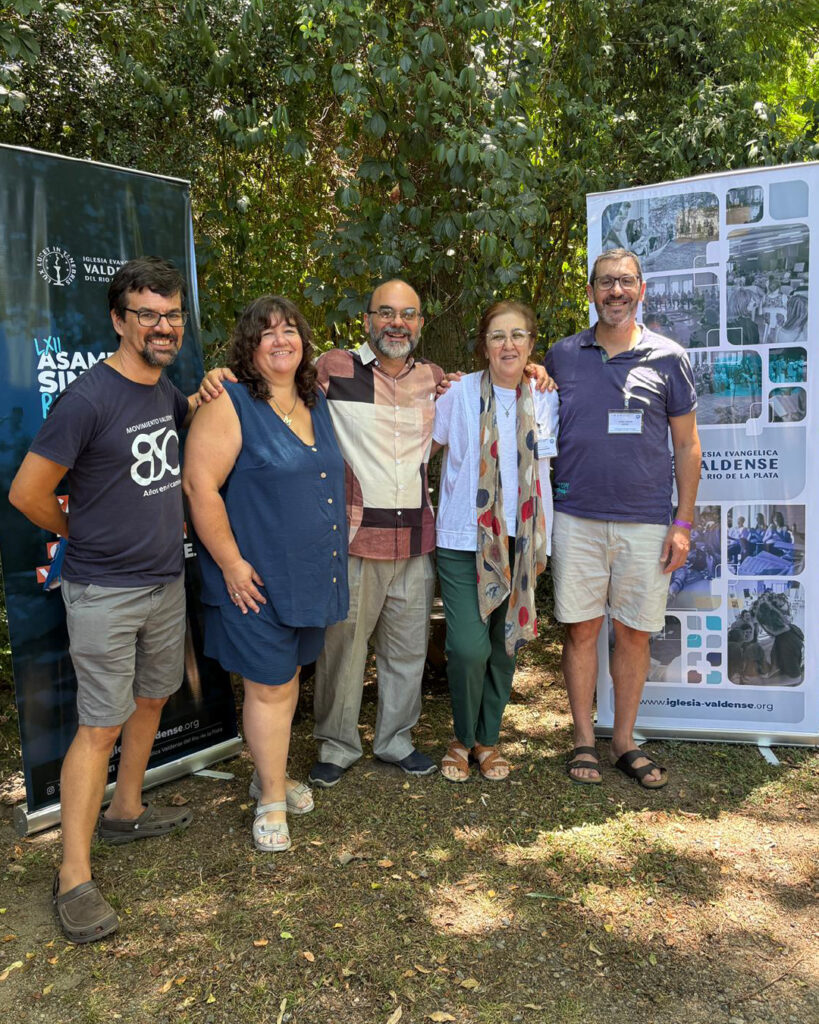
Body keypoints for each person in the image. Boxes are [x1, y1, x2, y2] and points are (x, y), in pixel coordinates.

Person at [9, 257, 201, 943]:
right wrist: (78, 532)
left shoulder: (165, 391)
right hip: (104, 593)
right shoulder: (87, 399)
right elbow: (27, 493)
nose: (163, 326)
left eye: (172, 314)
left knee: (151, 700)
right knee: (99, 726)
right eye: (147, 314)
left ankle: (125, 811)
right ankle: (72, 875)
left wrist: (211, 391)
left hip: (165, 583)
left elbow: (181, 432)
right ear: (119, 321)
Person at [182, 296, 348, 852]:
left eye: (290, 330)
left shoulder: (313, 398)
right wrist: (231, 564)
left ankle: (266, 772)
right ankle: (271, 798)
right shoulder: (228, 402)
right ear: (248, 346)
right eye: (267, 332)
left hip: (310, 574)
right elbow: (198, 487)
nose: (281, 340)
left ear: (304, 341)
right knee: (270, 685)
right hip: (255, 578)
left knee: (287, 678)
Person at [544, 248, 701, 789]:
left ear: (641, 290)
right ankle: (583, 740)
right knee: (581, 629)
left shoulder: (669, 357)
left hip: (646, 521)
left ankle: (624, 742)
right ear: (591, 292)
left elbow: (688, 446)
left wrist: (683, 523)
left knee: (634, 634)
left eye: (626, 281)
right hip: (575, 517)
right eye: (606, 282)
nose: (616, 291)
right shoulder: (562, 355)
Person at [431, 301, 558, 781]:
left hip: (521, 540)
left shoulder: (546, 398)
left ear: (531, 344)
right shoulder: (458, 393)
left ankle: (486, 740)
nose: (508, 344)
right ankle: (461, 737)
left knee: (506, 647)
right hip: (463, 538)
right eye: (497, 335)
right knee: (469, 648)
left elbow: (544, 471)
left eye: (518, 335)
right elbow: (423, 450)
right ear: (483, 345)